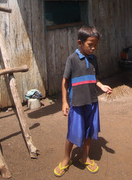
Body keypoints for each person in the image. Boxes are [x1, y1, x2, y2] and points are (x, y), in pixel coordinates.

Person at [53, 26, 112, 177]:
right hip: (77, 105)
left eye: (95, 46)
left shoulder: (94, 59)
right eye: (90, 45)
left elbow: (95, 78)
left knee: (89, 133)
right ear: (80, 42)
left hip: (92, 103)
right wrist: (65, 102)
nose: (93, 48)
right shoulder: (72, 59)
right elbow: (65, 81)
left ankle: (85, 157)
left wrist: (101, 85)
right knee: (72, 133)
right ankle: (67, 158)